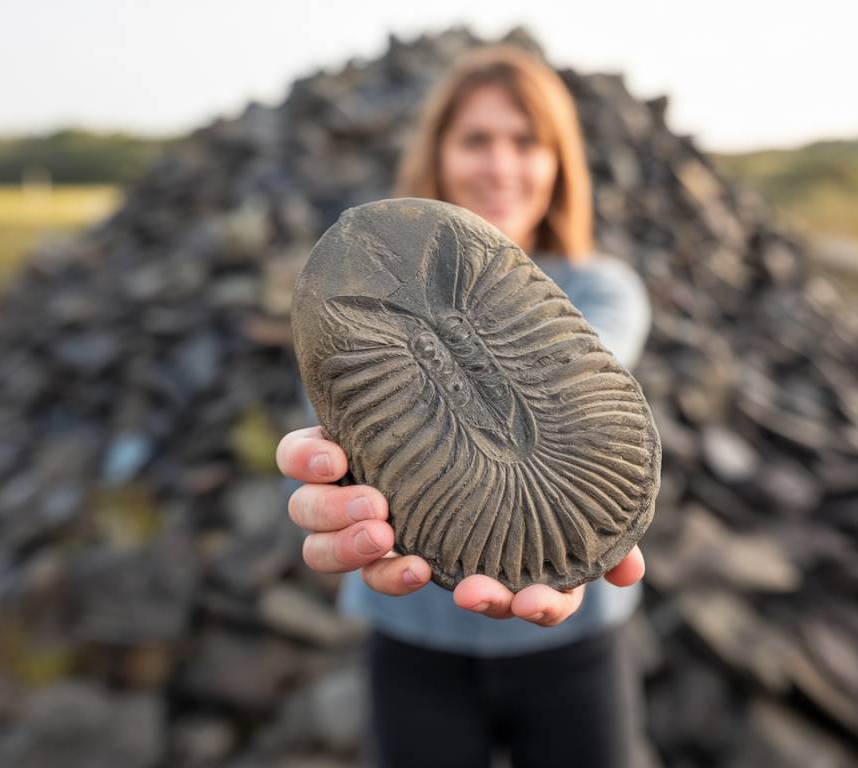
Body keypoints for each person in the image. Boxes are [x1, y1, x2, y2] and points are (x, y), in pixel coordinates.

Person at [275, 44, 654, 768]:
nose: (500, 165)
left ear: (559, 163)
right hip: (412, 631)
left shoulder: (604, 288)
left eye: (526, 142)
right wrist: (328, 472)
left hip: (577, 637)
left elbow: (587, 370)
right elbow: (343, 418)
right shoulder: (343, 299)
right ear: (439, 152)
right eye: (477, 139)